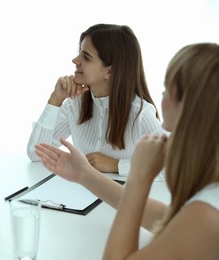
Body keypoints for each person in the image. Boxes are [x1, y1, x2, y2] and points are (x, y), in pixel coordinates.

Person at [35, 42, 219, 258]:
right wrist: (84, 174)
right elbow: (166, 216)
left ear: (189, 103)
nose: (161, 94)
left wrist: (139, 178)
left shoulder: (207, 216)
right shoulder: (204, 204)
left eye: (167, 86)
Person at [27, 24, 162, 176]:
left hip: (123, 198)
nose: (75, 60)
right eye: (79, 53)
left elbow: (174, 168)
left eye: (86, 57)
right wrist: (55, 99)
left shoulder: (140, 113)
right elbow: (36, 155)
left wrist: (118, 165)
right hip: (83, 195)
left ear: (109, 71)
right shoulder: (74, 104)